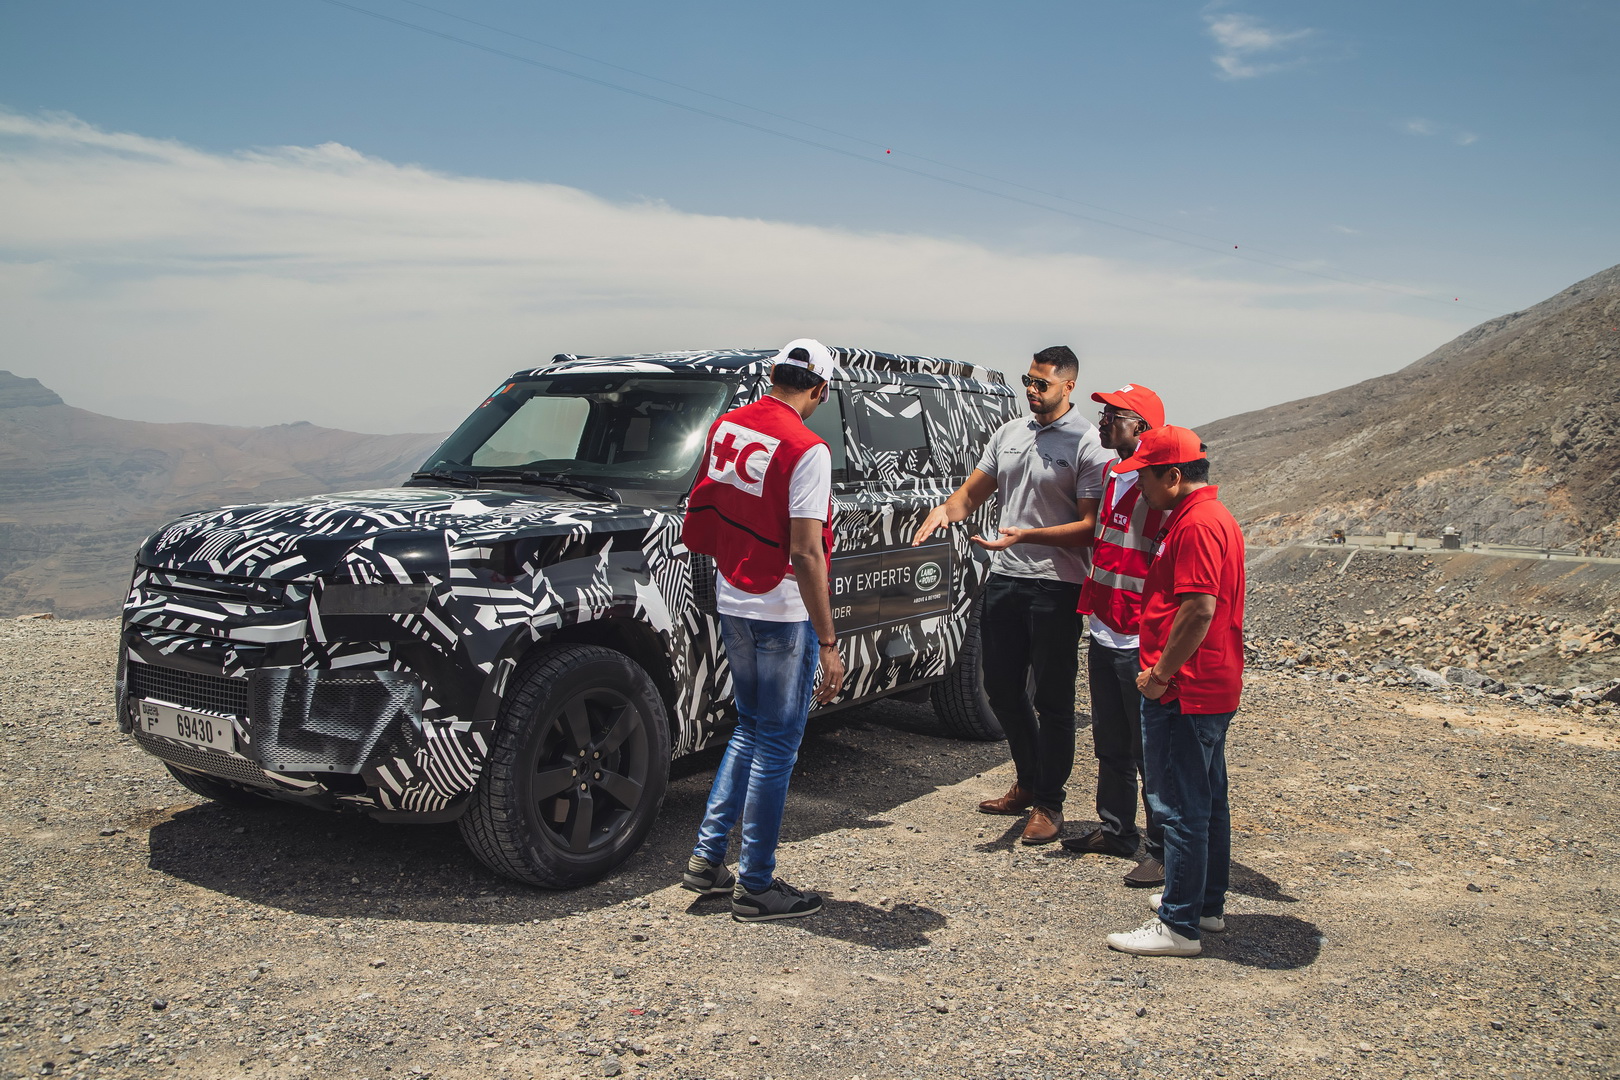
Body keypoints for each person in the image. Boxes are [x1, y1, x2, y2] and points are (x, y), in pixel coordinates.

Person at [911, 345, 1112, 844]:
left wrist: (1026, 535)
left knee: (1053, 699)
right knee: (1001, 688)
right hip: (1006, 577)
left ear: (1069, 387)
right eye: (1028, 380)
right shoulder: (1009, 434)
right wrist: (945, 509)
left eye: (1041, 383)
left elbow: (1088, 527)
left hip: (1057, 585)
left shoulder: (1089, 442)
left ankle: (1050, 803)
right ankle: (1027, 782)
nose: (1031, 390)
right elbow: (971, 493)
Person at [679, 339, 847, 922]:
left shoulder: (728, 426)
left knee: (750, 729)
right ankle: (756, 883)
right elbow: (806, 553)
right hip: (780, 608)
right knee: (776, 743)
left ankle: (706, 857)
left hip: (733, 596)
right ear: (820, 390)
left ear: (774, 374)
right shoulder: (808, 448)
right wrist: (828, 642)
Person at [1100, 426, 1246, 958]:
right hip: (1208, 682)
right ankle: (1204, 905)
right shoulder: (1203, 516)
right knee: (1206, 799)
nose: (1139, 487)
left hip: (1186, 688)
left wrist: (1161, 672)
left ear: (1174, 475)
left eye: (1145, 476)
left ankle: (1178, 923)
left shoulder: (1197, 525)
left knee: (1179, 805)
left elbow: (1199, 608)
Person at [1063, 384, 1170, 889]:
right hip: (1105, 628)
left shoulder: (1160, 489)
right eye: (1103, 413)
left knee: (1150, 749)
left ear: (1141, 428)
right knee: (1111, 740)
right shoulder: (1110, 474)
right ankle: (1117, 829)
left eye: (1114, 415)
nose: (1102, 421)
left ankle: (1161, 847)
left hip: (1139, 638)